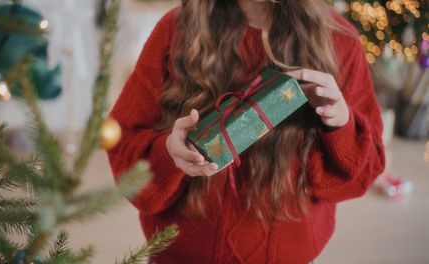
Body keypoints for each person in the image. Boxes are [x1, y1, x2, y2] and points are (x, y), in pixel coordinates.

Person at [106, 0, 385, 263]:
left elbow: (363, 172)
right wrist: (169, 153)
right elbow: (123, 146)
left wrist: (340, 125)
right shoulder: (176, 29)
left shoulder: (339, 42)